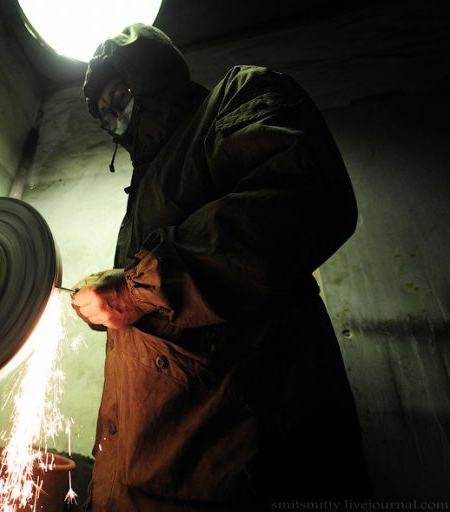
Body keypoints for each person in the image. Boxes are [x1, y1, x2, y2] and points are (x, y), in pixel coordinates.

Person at [71, 23, 371, 511]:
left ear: (152, 76)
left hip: (237, 469)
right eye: (105, 113)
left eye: (121, 95)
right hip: (152, 474)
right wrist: (115, 306)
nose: (116, 117)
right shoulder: (144, 190)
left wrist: (135, 290)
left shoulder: (234, 97)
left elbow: (303, 196)